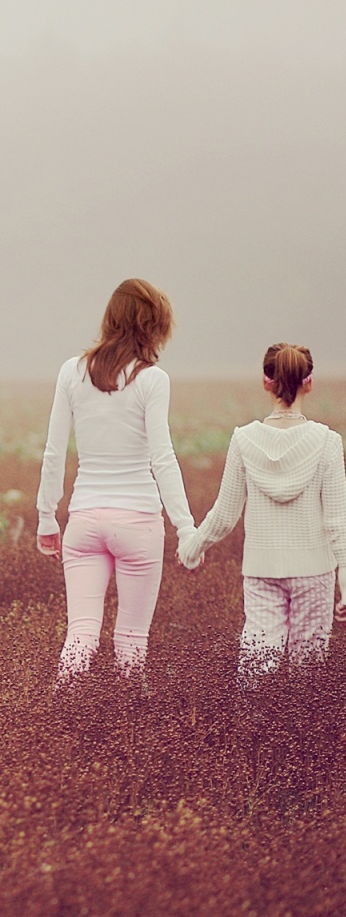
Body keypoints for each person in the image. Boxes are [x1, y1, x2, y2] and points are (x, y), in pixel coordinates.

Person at [36, 278, 195, 680]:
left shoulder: (71, 372)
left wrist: (45, 517)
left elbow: (54, 450)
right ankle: (130, 729)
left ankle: (59, 722)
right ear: (154, 324)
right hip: (138, 521)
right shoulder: (153, 379)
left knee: (80, 634)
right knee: (131, 639)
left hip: (84, 521)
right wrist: (185, 527)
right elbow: (163, 457)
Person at [178, 342, 346, 679]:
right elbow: (338, 519)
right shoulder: (326, 441)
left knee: (256, 668)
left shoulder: (244, 439)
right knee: (308, 677)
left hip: (260, 570)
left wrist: (192, 547)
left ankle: (251, 730)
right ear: (309, 382)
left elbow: (225, 513)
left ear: (266, 381)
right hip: (315, 571)